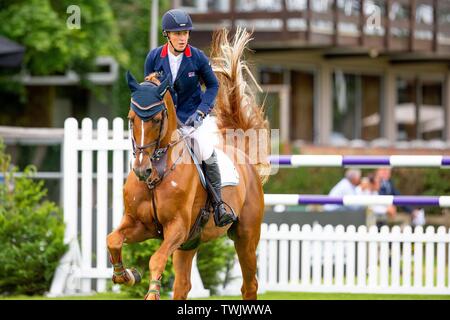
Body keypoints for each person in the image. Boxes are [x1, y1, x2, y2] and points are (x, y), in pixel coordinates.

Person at [143, 8, 236, 227]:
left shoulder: (197, 57)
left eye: (185, 34)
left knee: (205, 150)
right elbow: (148, 88)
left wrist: (202, 111)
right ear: (167, 35)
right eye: (177, 34)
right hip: (165, 122)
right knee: (145, 153)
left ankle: (219, 204)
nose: (182, 38)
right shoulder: (155, 57)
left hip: (192, 118)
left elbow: (213, 85)